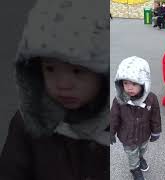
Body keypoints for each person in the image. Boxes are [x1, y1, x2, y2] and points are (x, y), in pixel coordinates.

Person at [0, 0, 109, 179]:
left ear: (103, 73)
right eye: (50, 68)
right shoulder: (28, 123)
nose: (63, 84)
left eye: (77, 70)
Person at [110, 56, 161, 180]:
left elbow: (155, 116)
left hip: (144, 134)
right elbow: (113, 118)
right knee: (132, 154)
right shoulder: (119, 100)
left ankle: (140, 158)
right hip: (127, 137)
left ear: (144, 82)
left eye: (134, 83)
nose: (129, 87)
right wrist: (110, 132)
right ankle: (135, 169)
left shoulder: (151, 99)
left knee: (142, 149)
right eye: (125, 83)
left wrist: (156, 131)